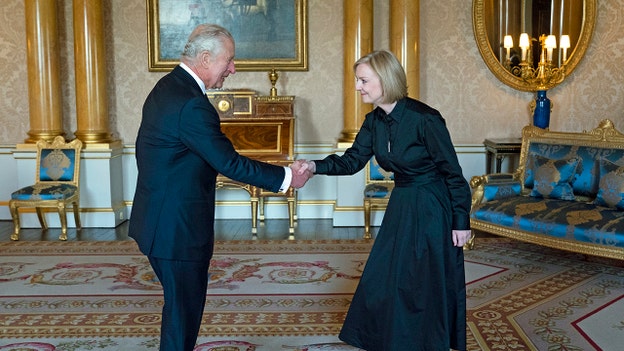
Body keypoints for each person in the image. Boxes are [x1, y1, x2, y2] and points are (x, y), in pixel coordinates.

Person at [129, 23, 312, 351]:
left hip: (158, 220)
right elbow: (229, 163)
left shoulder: (167, 87)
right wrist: (287, 177)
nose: (233, 68)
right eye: (228, 60)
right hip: (176, 229)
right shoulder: (191, 104)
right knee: (182, 316)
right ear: (204, 58)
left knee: (179, 311)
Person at [291, 50, 472, 351]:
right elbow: (351, 161)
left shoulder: (425, 119)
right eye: (357, 81)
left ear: (385, 80)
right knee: (386, 276)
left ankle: (426, 342)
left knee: (420, 279)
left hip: (431, 205)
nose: (358, 87)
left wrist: (460, 221)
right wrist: (313, 166)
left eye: (363, 80)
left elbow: (453, 174)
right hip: (402, 202)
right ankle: (395, 340)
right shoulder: (373, 121)